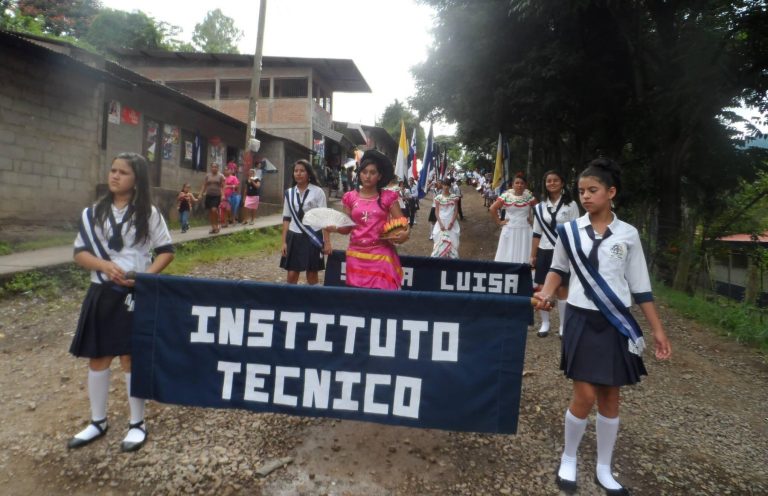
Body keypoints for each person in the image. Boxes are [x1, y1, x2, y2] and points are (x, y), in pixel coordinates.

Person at [533, 158, 672, 495]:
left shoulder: (628, 235)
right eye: (581, 191)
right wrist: (547, 293)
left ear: (611, 192)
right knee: (584, 394)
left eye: (593, 190)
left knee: (611, 397)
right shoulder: (569, 231)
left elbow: (640, 287)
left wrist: (657, 329)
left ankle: (604, 468)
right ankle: (569, 458)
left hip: (615, 322)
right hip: (580, 319)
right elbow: (558, 270)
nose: (586, 196)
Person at [67, 152, 174, 452]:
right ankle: (97, 421)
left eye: (122, 172)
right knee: (98, 356)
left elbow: (166, 250)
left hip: (133, 294)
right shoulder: (93, 213)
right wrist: (103, 266)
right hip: (101, 292)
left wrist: (144, 277)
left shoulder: (149, 213)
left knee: (131, 357)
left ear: (136, 179)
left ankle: (137, 423)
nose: (115, 176)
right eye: (113, 170)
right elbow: (80, 253)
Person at [326, 149, 409, 290]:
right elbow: (347, 228)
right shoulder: (350, 197)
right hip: (356, 255)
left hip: (381, 255)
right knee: (358, 302)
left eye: (372, 172)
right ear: (359, 174)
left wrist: (404, 234)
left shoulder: (388, 197)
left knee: (382, 302)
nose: (368, 176)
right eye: (364, 172)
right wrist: (333, 228)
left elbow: (403, 224)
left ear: (379, 176)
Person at [530, 170, 580, 337]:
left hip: (564, 251)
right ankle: (545, 323)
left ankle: (563, 325)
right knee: (543, 288)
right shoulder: (540, 206)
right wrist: (533, 254)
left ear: (562, 183)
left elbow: (576, 230)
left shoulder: (571, 205)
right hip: (544, 250)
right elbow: (536, 232)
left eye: (555, 180)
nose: (551, 183)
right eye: (548, 181)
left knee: (562, 289)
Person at [280, 159, 331, 285]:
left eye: (302, 171)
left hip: (312, 236)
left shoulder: (318, 192)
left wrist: (327, 242)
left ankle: (313, 302)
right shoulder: (289, 193)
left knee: (312, 274)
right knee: (292, 274)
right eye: (296, 171)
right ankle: (291, 303)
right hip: (294, 235)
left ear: (308, 173)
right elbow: (286, 218)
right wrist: (284, 242)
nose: (298, 173)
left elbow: (323, 218)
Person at [491, 173, 535, 263]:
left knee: (525, 253)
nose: (519, 185)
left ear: (525, 185)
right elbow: (492, 208)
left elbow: (539, 209)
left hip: (525, 230)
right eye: (517, 183)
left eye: (522, 183)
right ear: (512, 184)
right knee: (507, 253)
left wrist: (532, 221)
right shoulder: (506, 196)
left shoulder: (529, 196)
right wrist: (499, 222)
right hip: (510, 229)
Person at [431, 177, 460, 258]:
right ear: (442, 186)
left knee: (453, 242)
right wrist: (440, 224)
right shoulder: (438, 198)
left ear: (450, 186)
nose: (446, 187)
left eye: (447, 185)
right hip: (441, 222)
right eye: (444, 185)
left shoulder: (454, 197)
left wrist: (452, 223)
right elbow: (436, 212)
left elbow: (456, 211)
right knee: (439, 242)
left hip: (452, 222)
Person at [199, 163, 225, 234]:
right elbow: (204, 185)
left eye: (215, 167)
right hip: (208, 195)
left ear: (218, 168)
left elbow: (223, 187)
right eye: (213, 167)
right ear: (211, 168)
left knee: (214, 210)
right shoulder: (208, 175)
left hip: (217, 195)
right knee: (211, 212)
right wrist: (201, 194)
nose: (214, 168)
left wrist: (223, 195)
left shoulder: (221, 176)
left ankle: (216, 225)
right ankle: (213, 227)